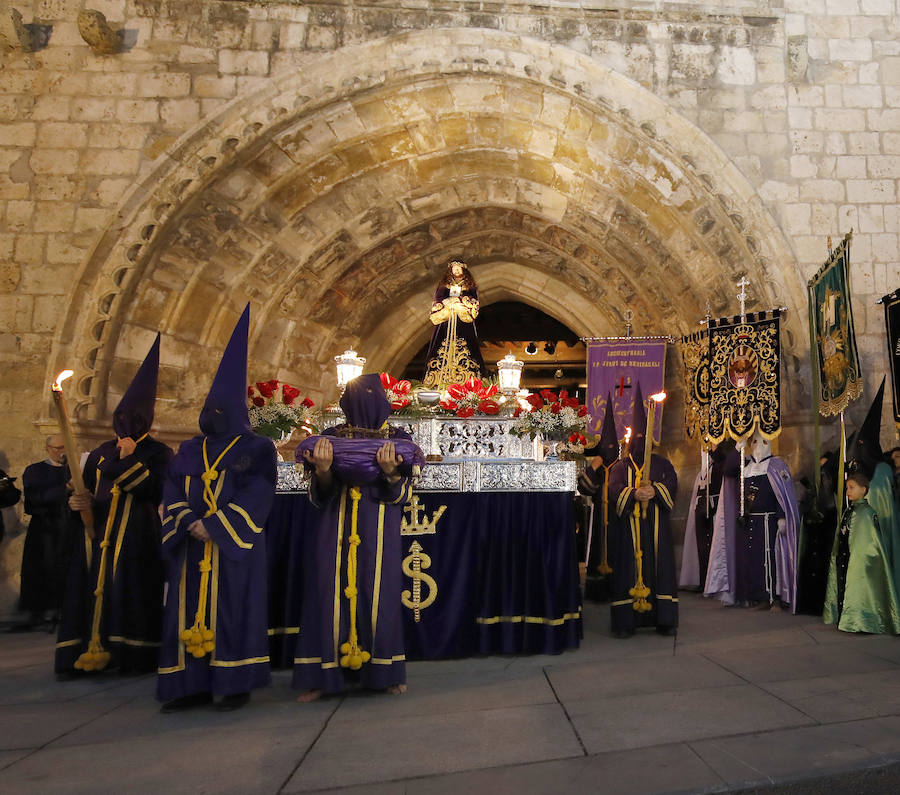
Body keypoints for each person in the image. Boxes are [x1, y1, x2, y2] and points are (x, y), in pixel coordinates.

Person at [157, 306, 276, 713]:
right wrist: (189, 521)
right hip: (193, 545)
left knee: (233, 609)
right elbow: (171, 485)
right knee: (185, 611)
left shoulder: (256, 448)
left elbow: (258, 492)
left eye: (221, 409)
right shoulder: (189, 449)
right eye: (210, 408)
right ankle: (188, 686)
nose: (213, 415)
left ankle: (233, 682)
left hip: (232, 547)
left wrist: (217, 526)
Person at [293, 373, 424, 701]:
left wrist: (392, 472)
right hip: (334, 525)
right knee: (326, 591)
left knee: (379, 593)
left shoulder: (398, 438)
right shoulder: (331, 436)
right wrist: (323, 471)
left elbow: (404, 493)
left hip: (378, 525)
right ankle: (321, 676)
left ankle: (386, 671)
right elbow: (317, 494)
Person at [56, 335, 173, 674]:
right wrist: (78, 502)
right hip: (98, 533)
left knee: (130, 591)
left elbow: (156, 490)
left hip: (137, 534)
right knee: (90, 590)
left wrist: (127, 461)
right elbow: (88, 491)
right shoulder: (99, 453)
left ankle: (130, 655)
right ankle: (85, 651)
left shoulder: (158, 452)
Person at [607, 384, 678, 638]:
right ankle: (626, 622)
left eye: (643, 439)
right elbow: (614, 490)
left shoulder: (662, 464)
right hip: (629, 531)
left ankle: (665, 619)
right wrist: (634, 493)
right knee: (627, 571)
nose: (639, 443)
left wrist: (655, 491)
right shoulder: (619, 467)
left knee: (661, 569)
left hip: (656, 529)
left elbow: (672, 484)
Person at [823, 472, 900, 634]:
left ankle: (860, 620)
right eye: (847, 488)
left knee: (860, 588)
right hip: (845, 559)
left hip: (858, 562)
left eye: (852, 488)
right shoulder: (850, 511)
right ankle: (847, 617)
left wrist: (857, 559)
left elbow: (867, 544)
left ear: (863, 490)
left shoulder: (866, 513)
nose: (848, 491)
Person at [732, 429, 800, 611]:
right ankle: (755, 596)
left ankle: (771, 597)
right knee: (751, 560)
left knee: (768, 559)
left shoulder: (777, 466)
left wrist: (782, 516)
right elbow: (731, 471)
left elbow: (783, 495)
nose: (758, 447)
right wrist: (740, 444)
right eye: (754, 442)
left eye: (763, 442)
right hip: (750, 521)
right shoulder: (745, 468)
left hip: (768, 522)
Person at [845, 378, 900, 597]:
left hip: (884, 530)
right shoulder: (865, 472)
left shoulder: (884, 471)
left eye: (863, 445)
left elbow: (884, 506)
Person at [14, 436, 67, 631]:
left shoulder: (72, 471)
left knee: (63, 568)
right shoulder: (35, 470)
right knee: (41, 569)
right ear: (47, 449)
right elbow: (34, 499)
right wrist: (64, 489)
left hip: (66, 527)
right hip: (44, 529)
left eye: (62, 447)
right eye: (55, 448)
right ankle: (36, 612)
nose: (59, 452)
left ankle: (59, 610)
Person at [680, 438, 738, 592]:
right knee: (703, 548)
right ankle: (703, 580)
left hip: (716, 511)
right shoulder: (706, 470)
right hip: (703, 510)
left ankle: (715, 582)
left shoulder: (722, 466)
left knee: (714, 546)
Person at [576, 392, 619, 602]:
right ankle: (597, 593)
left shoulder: (621, 467)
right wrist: (593, 467)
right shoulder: (598, 467)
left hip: (618, 517)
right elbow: (585, 488)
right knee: (597, 552)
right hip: (599, 515)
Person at [422, 260, 486, 388]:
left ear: (463, 270)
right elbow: (438, 299)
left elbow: (474, 301)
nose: (456, 271)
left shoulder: (469, 286)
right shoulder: (444, 285)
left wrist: (461, 301)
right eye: (454, 269)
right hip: (447, 318)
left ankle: (468, 378)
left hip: (462, 318)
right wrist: (447, 302)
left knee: (466, 346)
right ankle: (438, 378)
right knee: (441, 345)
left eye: (458, 268)